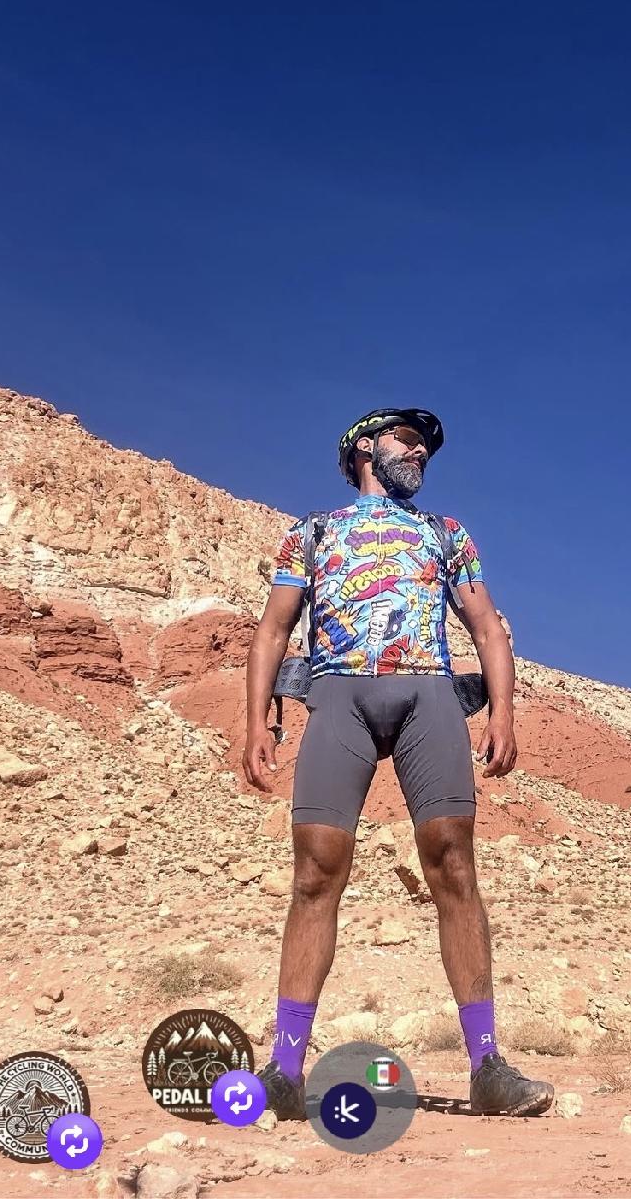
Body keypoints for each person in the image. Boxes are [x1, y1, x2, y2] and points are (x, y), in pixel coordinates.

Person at [242, 407, 554, 1120]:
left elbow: (486, 625)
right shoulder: (311, 533)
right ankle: (283, 1071)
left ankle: (488, 1067)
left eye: (425, 446)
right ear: (363, 447)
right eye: (405, 438)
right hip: (338, 697)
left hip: (429, 696)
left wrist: (503, 712)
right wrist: (255, 719)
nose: (419, 451)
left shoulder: (446, 533)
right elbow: (273, 629)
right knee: (315, 873)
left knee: (453, 865)